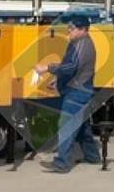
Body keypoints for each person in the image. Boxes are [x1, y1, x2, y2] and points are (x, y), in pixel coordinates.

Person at [34, 15, 101, 173]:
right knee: (81, 126)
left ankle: (62, 163)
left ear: (83, 29)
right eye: (68, 28)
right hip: (80, 89)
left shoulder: (82, 45)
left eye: (72, 28)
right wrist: (58, 79)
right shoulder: (79, 42)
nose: (68, 31)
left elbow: (71, 66)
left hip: (77, 91)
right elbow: (73, 68)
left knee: (66, 126)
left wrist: (47, 68)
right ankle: (92, 156)